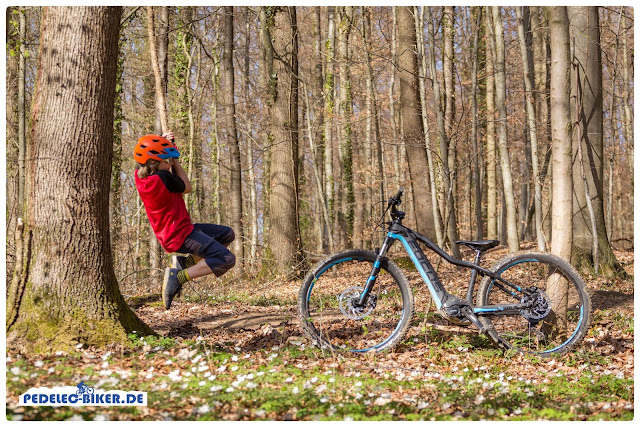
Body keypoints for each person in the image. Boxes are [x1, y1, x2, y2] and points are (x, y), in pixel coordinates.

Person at [134, 131, 236, 310]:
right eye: (168, 160)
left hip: (178, 231)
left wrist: (163, 142)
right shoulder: (163, 178)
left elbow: (147, 154)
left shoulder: (141, 178)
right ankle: (178, 277)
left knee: (226, 234)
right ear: (154, 163)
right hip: (180, 235)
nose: (171, 162)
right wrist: (176, 158)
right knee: (225, 258)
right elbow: (187, 187)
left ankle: (182, 264)